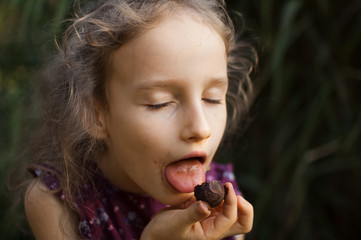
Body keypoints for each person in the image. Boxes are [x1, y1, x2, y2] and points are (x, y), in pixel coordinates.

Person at [23, 0, 257, 239]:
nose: (200, 128)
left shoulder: (222, 200)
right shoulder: (57, 203)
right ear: (95, 114)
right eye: (160, 102)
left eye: (213, 98)